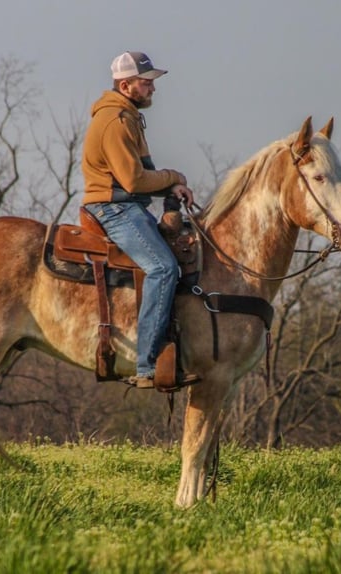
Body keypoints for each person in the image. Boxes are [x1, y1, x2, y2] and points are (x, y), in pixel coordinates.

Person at [81, 51, 199, 389]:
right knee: (163, 267)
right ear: (125, 84)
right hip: (115, 208)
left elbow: (144, 175)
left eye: (151, 83)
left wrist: (170, 185)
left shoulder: (129, 116)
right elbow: (133, 181)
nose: (152, 89)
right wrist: (174, 175)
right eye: (146, 83)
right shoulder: (115, 120)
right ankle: (147, 365)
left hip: (128, 206)